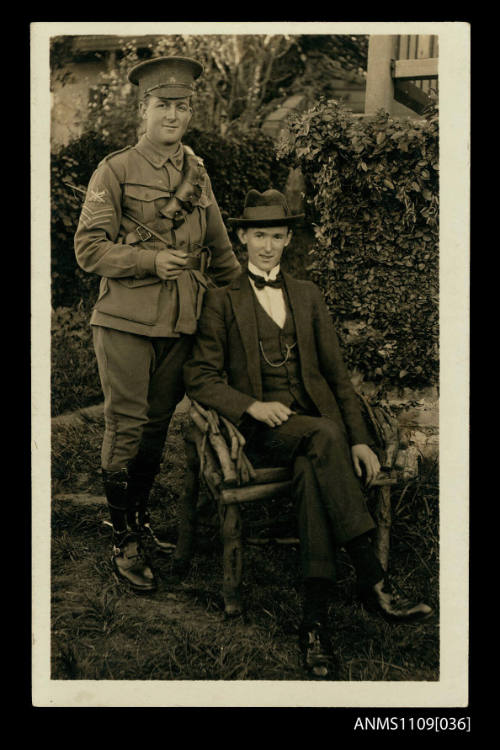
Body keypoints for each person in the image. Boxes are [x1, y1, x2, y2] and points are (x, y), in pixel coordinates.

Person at [183, 189, 433, 676]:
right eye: (259, 236)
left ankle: (314, 624)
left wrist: (359, 439)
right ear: (242, 238)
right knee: (322, 438)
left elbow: (338, 378)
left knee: (313, 469)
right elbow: (200, 378)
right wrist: (252, 405)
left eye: (277, 236)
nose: (268, 246)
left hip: (318, 436)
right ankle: (372, 576)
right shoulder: (221, 300)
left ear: (289, 240)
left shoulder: (308, 295)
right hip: (263, 432)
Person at [74, 56, 241, 593]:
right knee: (125, 423)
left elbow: (221, 251)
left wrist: (247, 303)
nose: (173, 115)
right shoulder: (115, 169)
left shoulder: (199, 173)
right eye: (162, 106)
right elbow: (88, 248)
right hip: (124, 321)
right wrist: (148, 262)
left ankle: (140, 521)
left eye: (181, 106)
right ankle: (121, 537)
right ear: (142, 110)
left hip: (181, 323)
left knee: (156, 425)